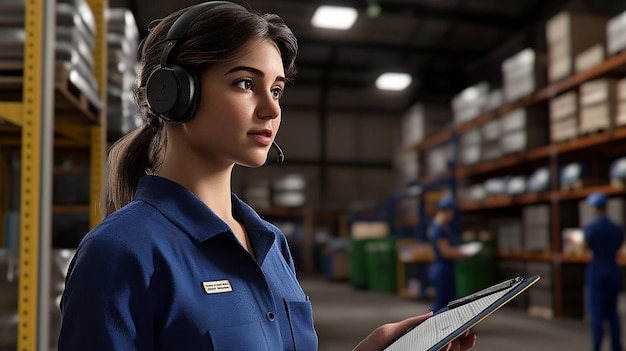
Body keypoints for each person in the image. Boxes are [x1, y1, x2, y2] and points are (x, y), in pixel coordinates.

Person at [58, 2, 476, 350]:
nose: (272, 109)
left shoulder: (270, 245)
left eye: (276, 89)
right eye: (245, 84)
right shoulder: (120, 253)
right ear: (174, 92)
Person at [578, 192, 624, 351]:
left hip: (597, 269)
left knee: (597, 310)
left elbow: (585, 246)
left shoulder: (593, 227)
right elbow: (619, 246)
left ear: (594, 208)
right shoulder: (616, 228)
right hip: (613, 269)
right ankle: (616, 346)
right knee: (612, 311)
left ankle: (597, 346)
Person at [428, 196, 468, 312]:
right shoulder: (439, 229)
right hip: (442, 270)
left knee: (448, 301)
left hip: (445, 268)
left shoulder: (442, 227)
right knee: (441, 303)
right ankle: (430, 327)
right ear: (447, 211)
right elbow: (445, 252)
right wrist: (461, 253)